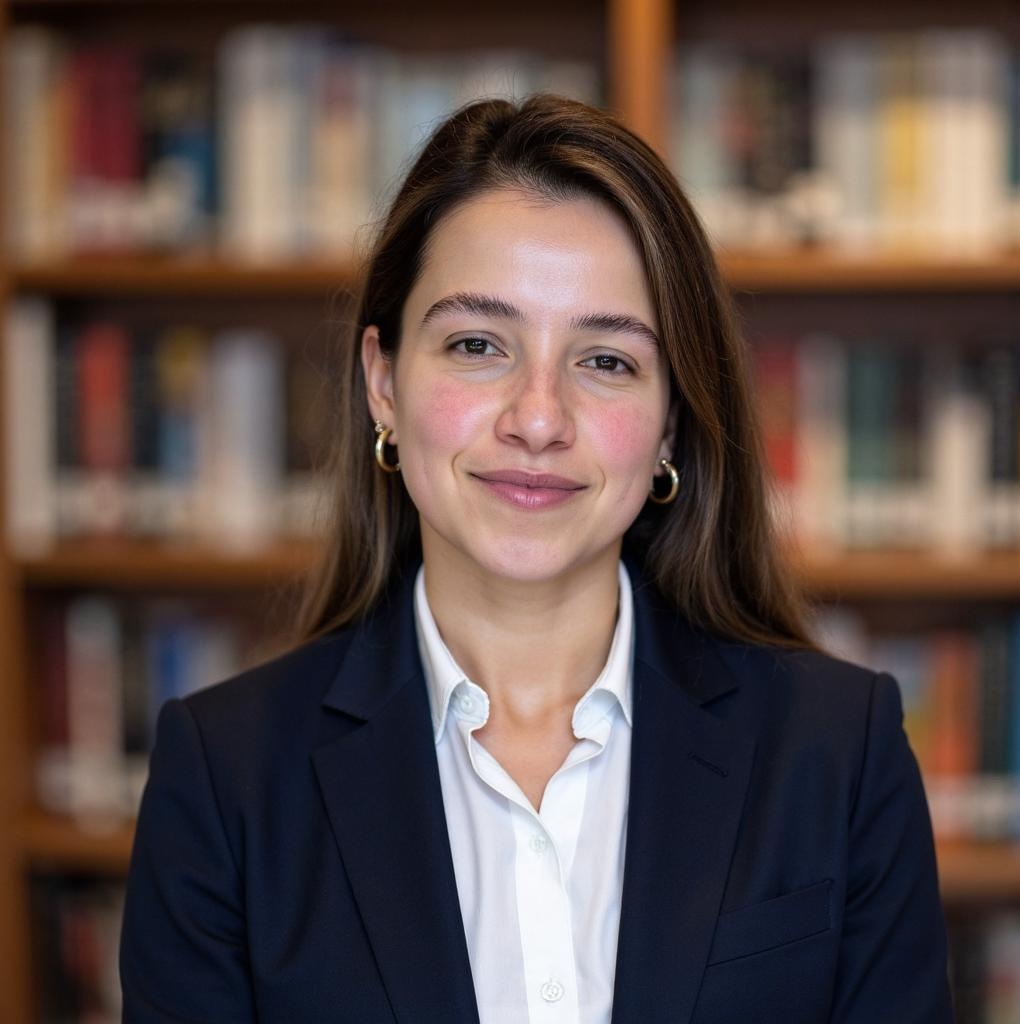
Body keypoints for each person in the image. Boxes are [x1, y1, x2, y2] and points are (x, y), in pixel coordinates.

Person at [119, 94, 954, 1023]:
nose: (539, 419)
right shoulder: (224, 777)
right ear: (383, 382)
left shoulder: (840, 752)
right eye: (478, 345)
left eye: (606, 361)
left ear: (671, 415)